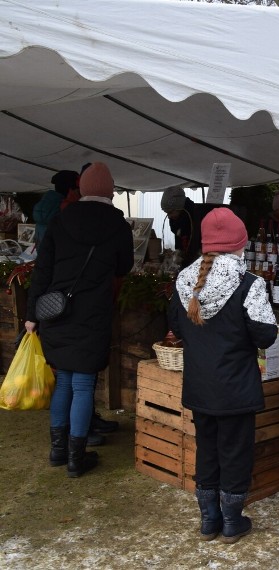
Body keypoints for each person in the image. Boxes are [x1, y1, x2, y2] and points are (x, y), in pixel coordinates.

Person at [168, 207, 278, 544]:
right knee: (235, 452)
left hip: (200, 385)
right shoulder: (250, 284)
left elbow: (175, 326)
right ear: (240, 244)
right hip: (236, 389)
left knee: (208, 449)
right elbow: (265, 336)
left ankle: (208, 522)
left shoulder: (184, 281)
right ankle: (231, 521)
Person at [25, 162, 134, 478]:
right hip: (92, 314)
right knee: (84, 383)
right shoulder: (117, 224)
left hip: (56, 314)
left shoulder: (61, 219)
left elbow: (42, 271)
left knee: (64, 382)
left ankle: (58, 451)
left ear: (83, 188)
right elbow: (123, 266)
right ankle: (76, 457)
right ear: (109, 190)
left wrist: (32, 316)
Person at [33, 170, 78, 247]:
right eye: (77, 189)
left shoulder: (43, 207)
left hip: (43, 256)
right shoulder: (65, 209)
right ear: (71, 190)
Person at [160, 186, 202, 268]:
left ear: (180, 208)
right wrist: (178, 251)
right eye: (167, 213)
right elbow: (178, 234)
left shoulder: (195, 217)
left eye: (171, 212)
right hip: (184, 260)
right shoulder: (177, 220)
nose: (169, 216)